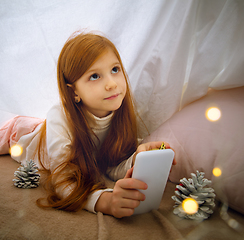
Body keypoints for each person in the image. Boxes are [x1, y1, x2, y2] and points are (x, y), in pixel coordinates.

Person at [32, 32, 177, 218]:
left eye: (115, 70)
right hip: (30, 137)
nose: (112, 84)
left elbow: (109, 166)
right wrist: (104, 201)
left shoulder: (117, 112)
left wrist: (135, 159)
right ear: (74, 92)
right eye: (94, 76)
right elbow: (62, 181)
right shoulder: (59, 116)